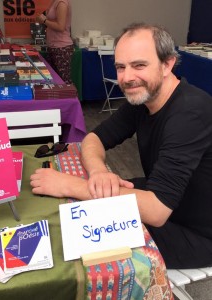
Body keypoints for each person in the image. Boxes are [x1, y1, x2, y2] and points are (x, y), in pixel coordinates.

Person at [30, 23, 212, 269]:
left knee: (75, 243)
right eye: (120, 67)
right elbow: (94, 139)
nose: (127, 77)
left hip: (196, 234)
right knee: (74, 214)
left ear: (167, 64)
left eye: (139, 65)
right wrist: (98, 173)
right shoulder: (144, 99)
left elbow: (157, 210)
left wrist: (73, 186)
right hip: (172, 202)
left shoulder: (191, 112)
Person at [36, 0, 74, 84]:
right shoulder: (55, 1)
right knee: (55, 81)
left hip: (61, 47)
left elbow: (61, 27)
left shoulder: (62, 3)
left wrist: (44, 21)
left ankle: (71, 97)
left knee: (64, 81)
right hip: (53, 46)